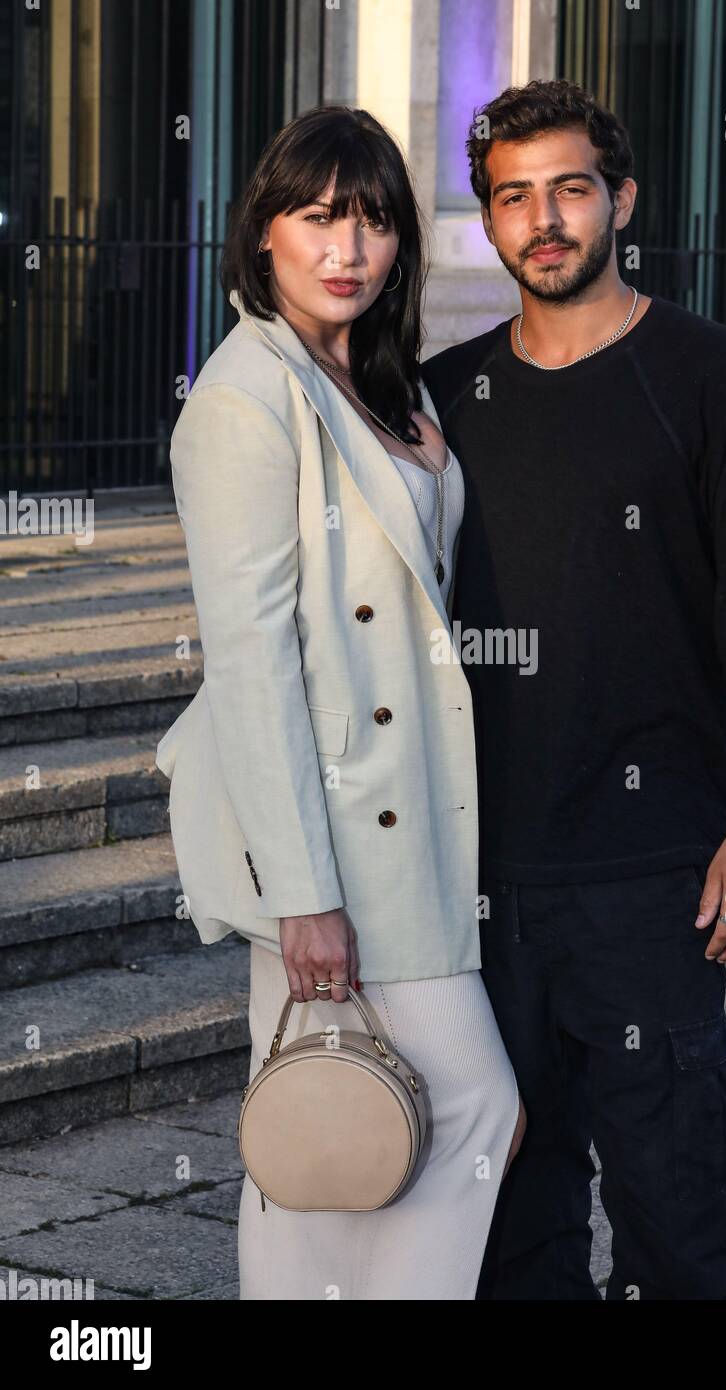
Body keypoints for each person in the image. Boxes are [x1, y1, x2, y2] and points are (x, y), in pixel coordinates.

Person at [420, 78, 726, 1301]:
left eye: (569, 190)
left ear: (622, 200)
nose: (542, 220)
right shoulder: (440, 401)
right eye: (512, 198)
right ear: (488, 221)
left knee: (672, 1212)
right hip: (478, 883)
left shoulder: (716, 376)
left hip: (652, 879)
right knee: (508, 1230)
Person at [155, 105, 524, 1301]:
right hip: (334, 831)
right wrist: (303, 893)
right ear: (264, 230)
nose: (347, 248)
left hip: (403, 806)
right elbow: (252, 662)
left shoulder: (372, 380)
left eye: (371, 221)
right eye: (318, 218)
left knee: (325, 1123)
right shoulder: (244, 398)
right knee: (473, 1106)